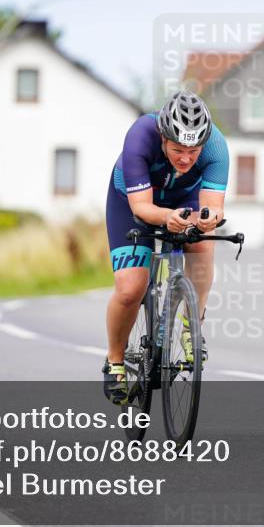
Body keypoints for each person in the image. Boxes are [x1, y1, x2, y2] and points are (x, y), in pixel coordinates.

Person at [102, 90, 228, 404]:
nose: (185, 158)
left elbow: (213, 207)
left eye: (193, 151)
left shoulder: (216, 147)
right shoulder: (141, 135)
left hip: (183, 199)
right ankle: (115, 361)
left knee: (201, 246)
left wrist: (207, 220)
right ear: (163, 137)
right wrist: (167, 217)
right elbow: (142, 208)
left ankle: (191, 326)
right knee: (131, 288)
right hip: (132, 202)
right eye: (177, 149)